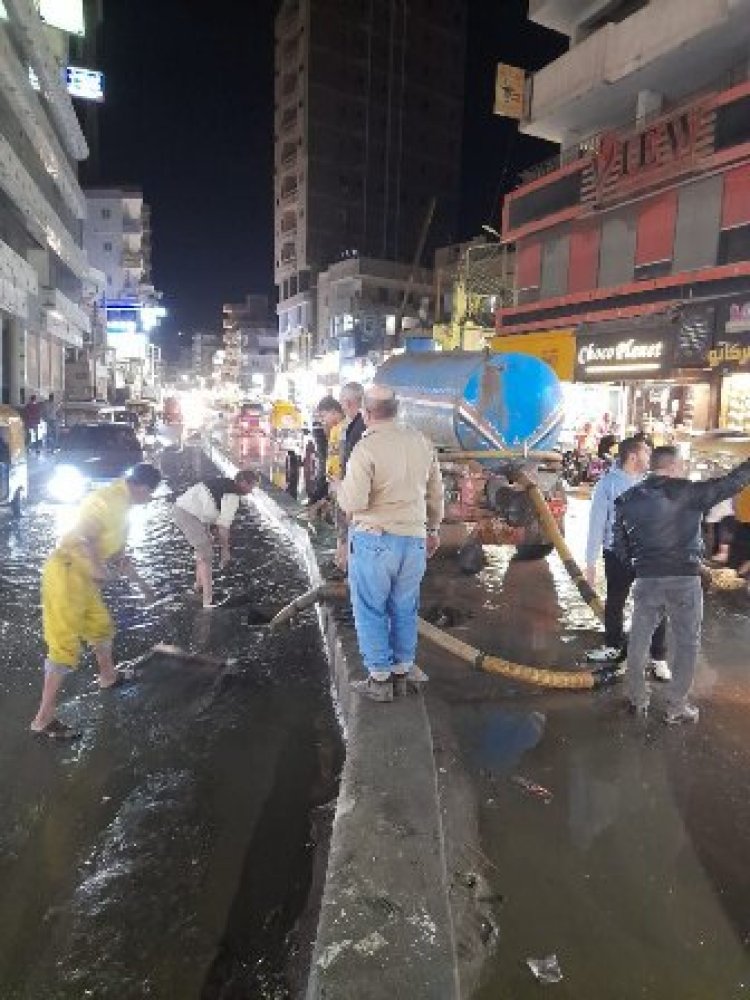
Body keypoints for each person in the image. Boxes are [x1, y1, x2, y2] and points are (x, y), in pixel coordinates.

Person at [615, 446, 750, 724]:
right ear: (674, 466)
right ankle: (676, 707)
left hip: (646, 579)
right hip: (683, 580)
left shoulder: (627, 499)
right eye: (683, 464)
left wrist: (641, 567)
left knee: (639, 639)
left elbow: (619, 544)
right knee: (687, 642)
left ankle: (637, 699)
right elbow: (733, 482)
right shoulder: (689, 492)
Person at [30, 463, 162, 739]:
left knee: (101, 628)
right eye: (150, 493)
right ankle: (43, 720)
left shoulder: (124, 508)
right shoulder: (106, 499)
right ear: (141, 487)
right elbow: (83, 535)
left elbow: (116, 555)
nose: (149, 499)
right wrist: (96, 567)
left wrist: (142, 585)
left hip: (85, 580)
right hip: (66, 574)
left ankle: (108, 677)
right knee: (64, 645)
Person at [337, 385, 444, 702]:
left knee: (370, 607)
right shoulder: (422, 442)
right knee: (404, 606)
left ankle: (380, 679)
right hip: (414, 541)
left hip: (375, 541)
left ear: (367, 413)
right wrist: (434, 529)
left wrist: (338, 489)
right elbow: (435, 494)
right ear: (397, 410)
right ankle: (402, 668)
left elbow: (354, 501)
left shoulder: (366, 448)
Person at [585, 436, 670, 681]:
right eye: (647, 452)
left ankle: (658, 658)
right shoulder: (607, 485)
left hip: (648, 555)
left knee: (657, 604)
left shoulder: (653, 483)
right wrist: (590, 565)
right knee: (615, 601)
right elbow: (596, 525)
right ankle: (613, 645)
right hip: (616, 555)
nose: (651, 457)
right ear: (633, 456)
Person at [173, 470, 257, 608]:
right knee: (206, 555)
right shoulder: (232, 495)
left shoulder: (225, 483)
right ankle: (208, 602)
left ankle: (198, 588)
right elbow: (223, 527)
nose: (251, 490)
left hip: (186, 511)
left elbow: (214, 516)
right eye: (251, 486)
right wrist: (225, 551)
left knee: (203, 549)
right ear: (243, 483)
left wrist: (213, 535)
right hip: (189, 515)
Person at [332, 382, 366, 571]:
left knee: (347, 532)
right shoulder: (356, 425)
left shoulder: (358, 427)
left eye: (342, 402)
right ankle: (344, 564)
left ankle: (345, 567)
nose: (341, 406)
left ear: (348, 402)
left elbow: (356, 466)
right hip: (351, 488)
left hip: (352, 491)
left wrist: (343, 488)